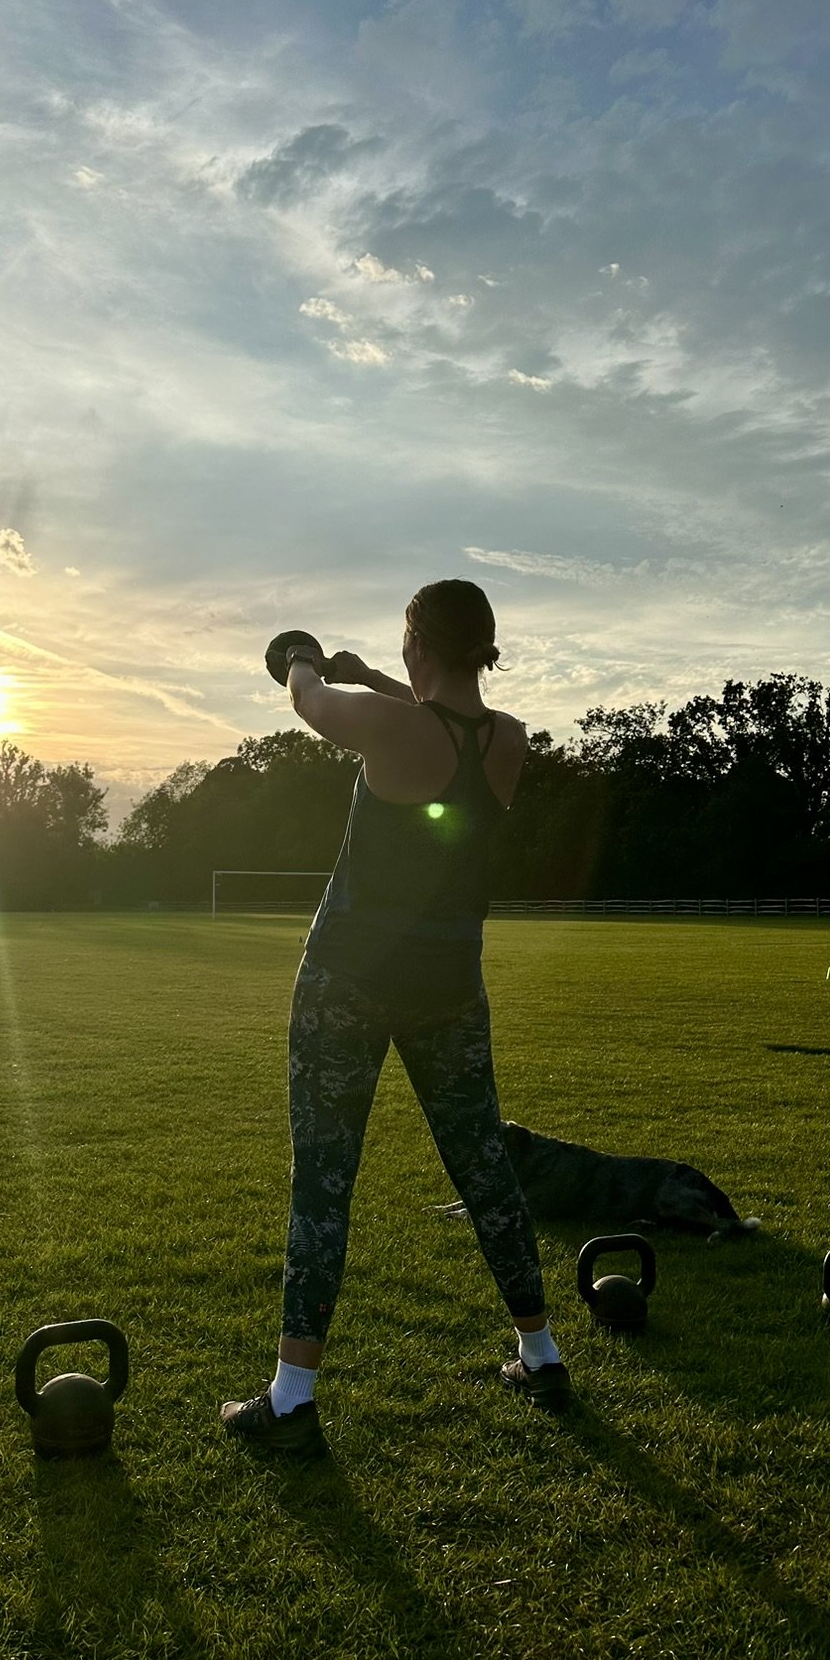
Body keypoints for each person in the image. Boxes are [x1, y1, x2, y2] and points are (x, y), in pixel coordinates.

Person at [222, 579, 567, 1454]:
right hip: (449, 986)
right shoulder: (510, 740)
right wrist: (374, 672)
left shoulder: (390, 728)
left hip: (346, 980)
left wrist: (299, 656)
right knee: (484, 1166)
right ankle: (542, 1350)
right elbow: (429, 724)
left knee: (324, 1182)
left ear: (420, 643)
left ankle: (293, 1397)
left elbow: (309, 704)